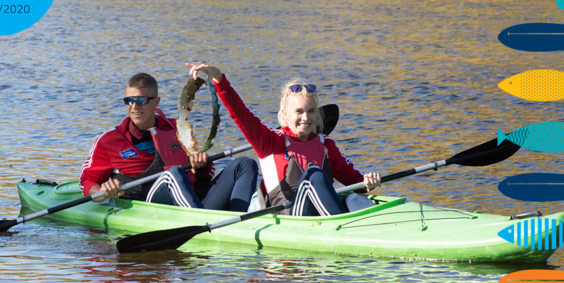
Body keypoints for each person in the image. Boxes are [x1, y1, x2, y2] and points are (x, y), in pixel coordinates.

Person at [187, 63, 381, 216]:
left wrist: (368, 182)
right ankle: (341, 227)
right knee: (315, 174)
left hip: (321, 213)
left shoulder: (326, 145)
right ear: (284, 115)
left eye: (311, 111)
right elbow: (240, 113)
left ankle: (378, 224)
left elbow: (357, 183)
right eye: (299, 111)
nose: (306, 118)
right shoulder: (270, 141)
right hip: (290, 214)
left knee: (353, 199)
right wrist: (219, 78)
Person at [80, 72, 258, 212]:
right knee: (173, 173)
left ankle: (240, 221)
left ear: (156, 102)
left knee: (245, 163)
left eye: (141, 100)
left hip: (195, 199)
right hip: (152, 206)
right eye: (129, 101)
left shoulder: (179, 128)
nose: (134, 106)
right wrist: (102, 193)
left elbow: (207, 174)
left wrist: (201, 164)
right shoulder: (109, 141)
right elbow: (87, 181)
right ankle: (199, 220)